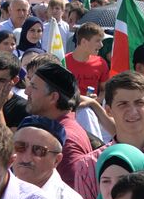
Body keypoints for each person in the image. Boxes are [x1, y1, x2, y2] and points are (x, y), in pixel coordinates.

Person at [70, 71, 144, 199]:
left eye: (139, 103)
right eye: (123, 104)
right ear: (108, 110)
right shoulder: (88, 166)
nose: (132, 111)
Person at [24, 59, 95, 187]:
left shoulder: (66, 139)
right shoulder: (56, 130)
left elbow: (75, 191)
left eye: (33, 87)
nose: (26, 92)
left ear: (53, 97)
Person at [65, 23, 111, 97]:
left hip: (91, 107)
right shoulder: (64, 62)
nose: (101, 45)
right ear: (84, 42)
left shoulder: (101, 63)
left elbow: (105, 90)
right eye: (97, 41)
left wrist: (96, 102)